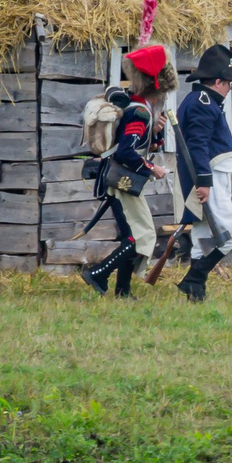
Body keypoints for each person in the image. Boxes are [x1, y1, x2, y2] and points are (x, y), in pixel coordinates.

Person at [80, 43, 174, 297]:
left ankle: (123, 290)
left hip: (121, 180)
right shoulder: (140, 113)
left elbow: (138, 144)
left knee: (131, 235)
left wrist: (155, 132)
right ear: (158, 89)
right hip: (121, 180)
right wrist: (152, 168)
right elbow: (126, 153)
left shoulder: (141, 111)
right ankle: (98, 273)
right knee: (140, 237)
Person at [173, 45, 232, 302]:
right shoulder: (203, 103)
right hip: (209, 179)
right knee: (231, 234)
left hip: (213, 177)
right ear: (218, 82)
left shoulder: (203, 101)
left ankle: (195, 293)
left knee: (203, 237)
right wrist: (203, 183)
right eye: (229, 84)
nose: (230, 89)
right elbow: (197, 146)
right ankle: (195, 278)